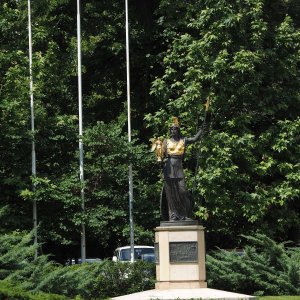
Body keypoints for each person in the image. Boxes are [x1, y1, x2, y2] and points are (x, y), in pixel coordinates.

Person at [159, 117, 205, 221]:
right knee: (171, 193)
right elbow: (161, 157)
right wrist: (161, 160)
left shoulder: (183, 140)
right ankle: (173, 216)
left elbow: (194, 139)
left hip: (179, 168)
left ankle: (184, 215)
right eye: (171, 129)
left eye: (174, 129)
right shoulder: (166, 142)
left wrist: (202, 130)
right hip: (169, 168)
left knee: (182, 191)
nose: (172, 131)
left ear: (178, 130)